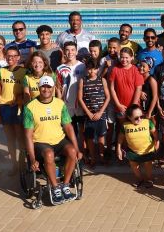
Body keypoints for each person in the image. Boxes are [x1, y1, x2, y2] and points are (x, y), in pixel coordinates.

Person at [24, 75, 82, 205]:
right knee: (49, 154)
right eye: (43, 86)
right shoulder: (30, 107)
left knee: (72, 152)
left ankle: (65, 185)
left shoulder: (60, 104)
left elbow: (68, 127)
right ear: (39, 88)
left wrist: (77, 148)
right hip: (40, 142)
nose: (46, 89)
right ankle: (55, 188)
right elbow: (28, 135)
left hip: (59, 140)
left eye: (49, 87)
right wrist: (32, 159)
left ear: (53, 88)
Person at [0, 46, 26, 175]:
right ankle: (14, 165)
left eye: (13, 56)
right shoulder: (0, 72)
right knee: (10, 139)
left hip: (18, 108)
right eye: (8, 56)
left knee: (21, 138)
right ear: (5, 57)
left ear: (18, 57)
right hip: (5, 108)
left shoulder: (25, 72)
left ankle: (23, 164)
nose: (10, 58)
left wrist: (20, 100)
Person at [78, 57, 110, 166]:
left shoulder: (102, 80)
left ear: (98, 69)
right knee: (90, 137)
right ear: (86, 69)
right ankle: (92, 157)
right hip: (89, 115)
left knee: (101, 136)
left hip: (101, 114)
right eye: (89, 69)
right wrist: (88, 113)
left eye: (94, 69)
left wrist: (101, 112)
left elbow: (108, 97)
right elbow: (80, 98)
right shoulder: (83, 80)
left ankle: (101, 156)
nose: (92, 71)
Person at [117, 104, 159, 188]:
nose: (139, 119)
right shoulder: (125, 126)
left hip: (147, 150)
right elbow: (120, 138)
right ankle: (140, 179)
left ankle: (149, 179)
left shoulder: (147, 122)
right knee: (134, 166)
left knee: (148, 166)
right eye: (136, 118)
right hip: (133, 151)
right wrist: (118, 149)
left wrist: (157, 144)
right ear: (129, 117)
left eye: (141, 116)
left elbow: (155, 135)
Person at [56, 41, 87, 152]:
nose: (70, 52)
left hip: (81, 105)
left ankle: (84, 152)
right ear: (64, 52)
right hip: (67, 105)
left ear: (76, 51)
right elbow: (58, 88)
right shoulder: (60, 68)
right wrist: (59, 104)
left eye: (72, 50)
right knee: (71, 131)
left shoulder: (83, 66)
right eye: (67, 50)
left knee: (83, 131)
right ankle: (73, 153)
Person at [109, 47, 144, 136]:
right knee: (123, 131)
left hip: (134, 107)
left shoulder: (136, 70)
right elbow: (112, 88)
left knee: (134, 131)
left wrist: (133, 105)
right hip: (121, 107)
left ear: (132, 58)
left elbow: (138, 88)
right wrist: (118, 104)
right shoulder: (115, 69)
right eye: (122, 57)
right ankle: (122, 149)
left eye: (126, 57)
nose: (124, 60)